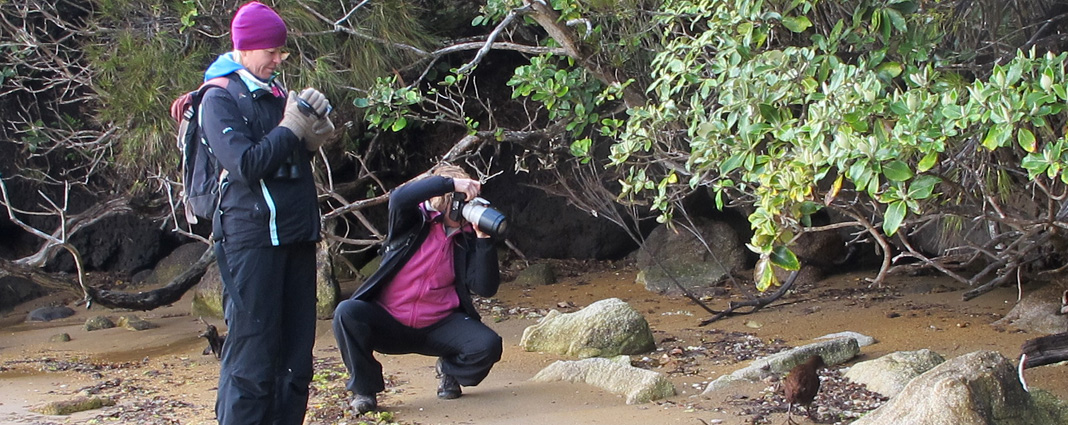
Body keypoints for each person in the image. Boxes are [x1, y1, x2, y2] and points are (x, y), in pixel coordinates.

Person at [198, 2, 334, 424]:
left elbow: (286, 160)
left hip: (295, 235)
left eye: (282, 53)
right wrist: (292, 127)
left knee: (296, 360)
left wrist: (311, 140)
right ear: (245, 46)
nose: (278, 61)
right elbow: (247, 165)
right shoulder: (217, 99)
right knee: (252, 359)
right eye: (271, 52)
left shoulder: (274, 93)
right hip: (251, 240)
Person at [332, 164, 503, 414]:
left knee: (487, 345)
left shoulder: (466, 237)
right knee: (347, 313)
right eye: (458, 200)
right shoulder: (413, 221)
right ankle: (365, 391)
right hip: (389, 319)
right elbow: (399, 197)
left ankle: (449, 370)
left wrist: (484, 242)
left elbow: (485, 288)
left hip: (439, 324)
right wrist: (450, 184)